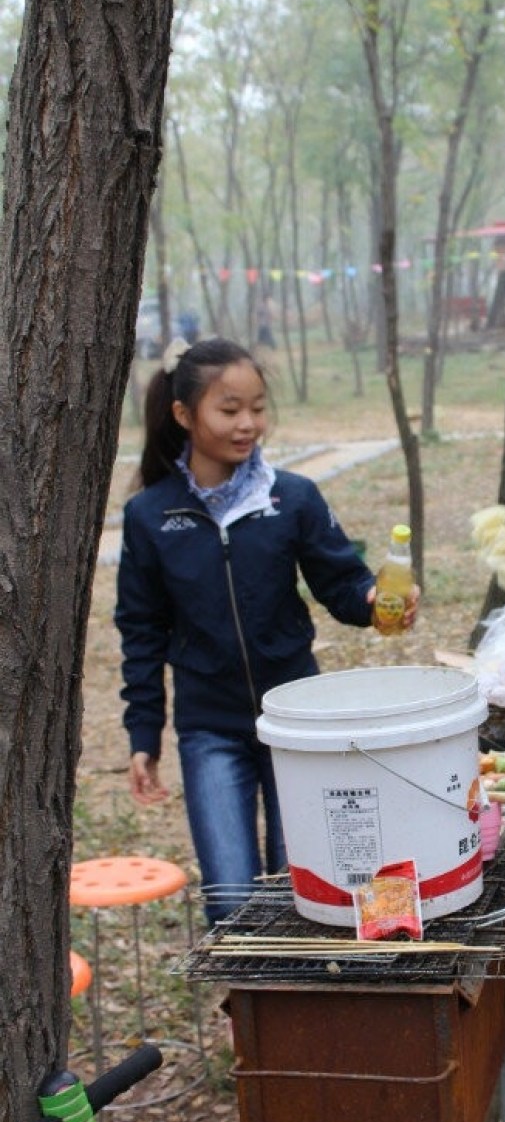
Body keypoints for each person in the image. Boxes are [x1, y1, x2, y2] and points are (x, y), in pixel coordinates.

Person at [115, 336, 417, 925]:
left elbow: (342, 584)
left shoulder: (293, 498)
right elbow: (141, 631)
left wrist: (375, 599)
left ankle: (304, 1011)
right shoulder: (151, 516)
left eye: (256, 407)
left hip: (296, 723)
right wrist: (143, 734)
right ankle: (247, 1015)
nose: (248, 423)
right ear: (184, 415)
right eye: (229, 410)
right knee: (230, 899)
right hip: (210, 730)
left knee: (305, 888)